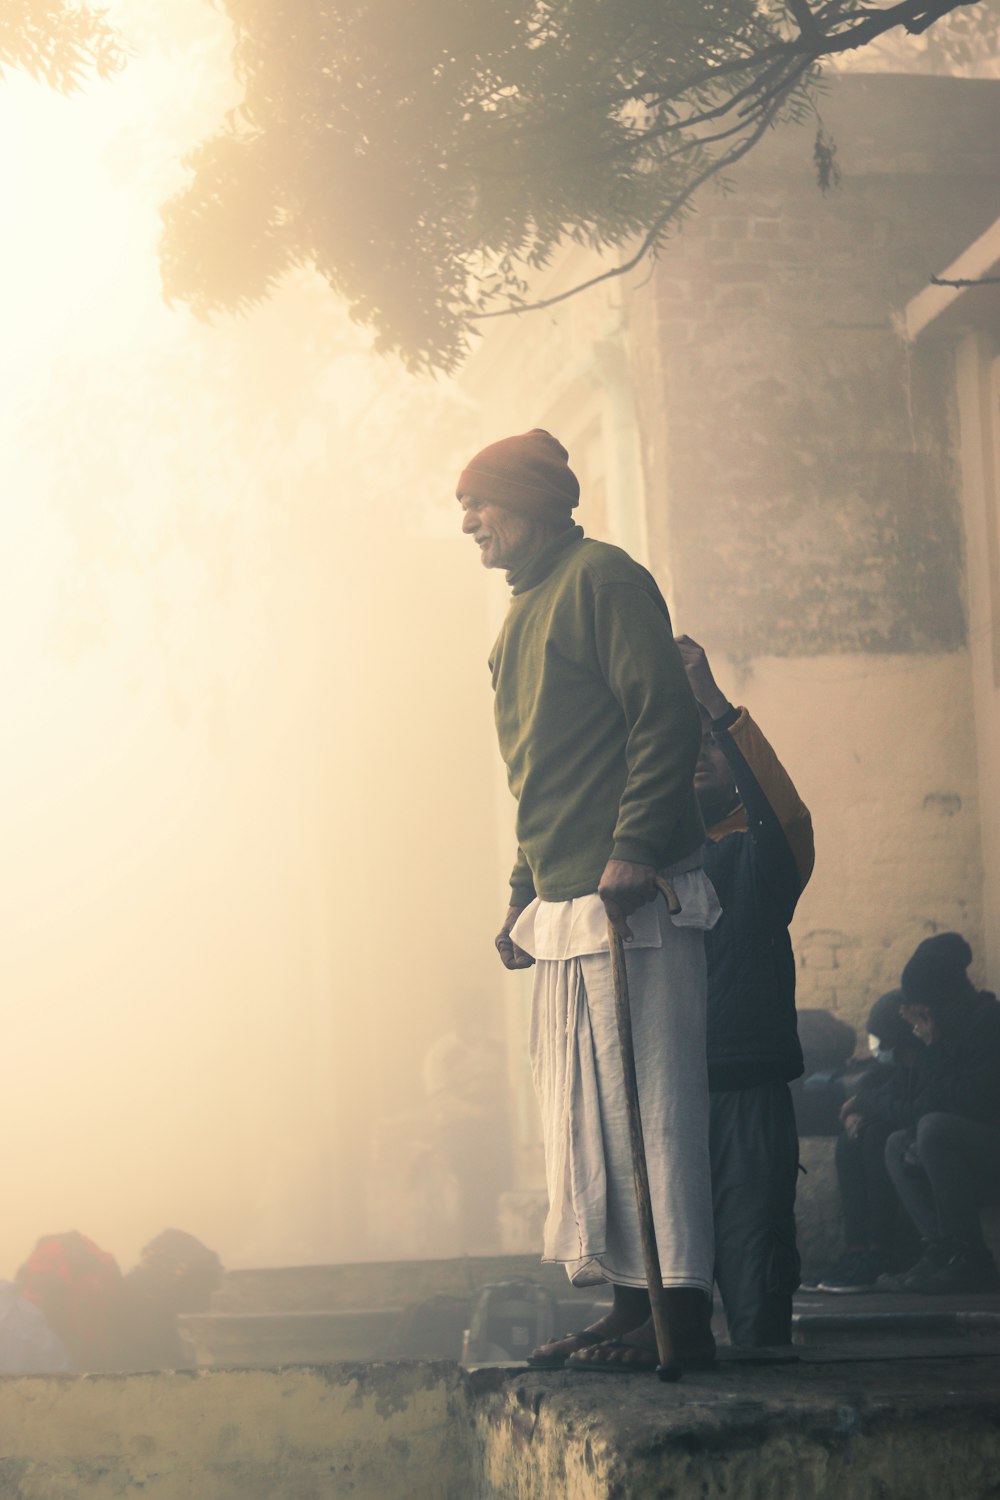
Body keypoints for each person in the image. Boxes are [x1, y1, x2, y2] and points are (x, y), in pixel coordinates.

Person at [458, 428, 718, 1372]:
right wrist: (521, 895)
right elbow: (540, 777)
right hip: (567, 902)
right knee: (591, 1115)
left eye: (480, 505)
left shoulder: (604, 579)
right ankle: (627, 1301)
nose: (469, 525)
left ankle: (680, 1316)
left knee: (653, 1107)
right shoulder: (519, 616)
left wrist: (638, 842)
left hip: (631, 893)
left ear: (531, 502)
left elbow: (663, 713)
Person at [676, 637, 814, 1345]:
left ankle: (766, 1368)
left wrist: (714, 703)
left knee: (753, 1249)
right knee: (673, 1266)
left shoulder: (762, 854)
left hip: (745, 1081)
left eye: (712, 745)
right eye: (687, 743)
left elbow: (783, 812)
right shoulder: (648, 860)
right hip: (669, 1088)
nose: (699, 753)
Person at [875, 933, 1000, 1294]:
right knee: (897, 1143)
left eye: (924, 1006)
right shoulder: (945, 1029)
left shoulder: (988, 1024)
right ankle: (941, 1248)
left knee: (931, 1129)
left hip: (989, 1144)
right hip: (966, 1148)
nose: (920, 1016)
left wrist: (933, 1048)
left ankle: (971, 1257)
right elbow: (922, 1100)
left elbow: (969, 1101)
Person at [810, 990, 922, 1292]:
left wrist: (864, 1107)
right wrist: (855, 1111)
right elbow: (881, 1094)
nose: (875, 1045)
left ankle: (879, 1251)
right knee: (850, 1141)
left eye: (879, 1037)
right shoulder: (895, 1069)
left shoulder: (927, 1063)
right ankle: (856, 1250)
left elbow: (910, 1109)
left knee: (875, 1136)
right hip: (896, 1126)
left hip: (915, 1136)